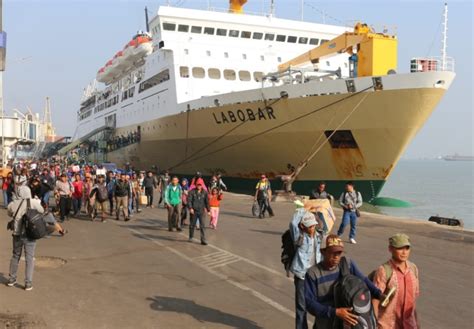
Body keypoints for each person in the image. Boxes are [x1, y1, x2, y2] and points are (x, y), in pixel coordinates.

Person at [304, 235, 383, 329]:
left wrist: (379, 294)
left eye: (339, 253)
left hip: (347, 324)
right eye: (332, 253)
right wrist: (335, 312)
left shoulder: (348, 264)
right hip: (325, 324)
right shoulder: (313, 273)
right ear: (322, 251)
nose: (336, 257)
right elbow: (309, 303)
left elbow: (364, 280)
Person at [372, 234, 420, 329]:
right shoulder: (384, 270)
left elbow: (413, 302)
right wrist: (374, 324)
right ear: (390, 249)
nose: (404, 252)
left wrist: (417, 324)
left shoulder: (413, 269)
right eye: (400, 248)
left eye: (407, 248)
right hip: (387, 325)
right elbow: (375, 300)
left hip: (410, 325)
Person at [6, 186, 45, 291]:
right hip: (30, 234)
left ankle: (12, 279)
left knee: (15, 256)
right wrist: (37, 201)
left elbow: (9, 212)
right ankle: (28, 283)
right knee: (29, 259)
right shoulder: (33, 202)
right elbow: (41, 210)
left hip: (17, 234)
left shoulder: (13, 204)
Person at [290, 206, 322, 329]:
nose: (313, 228)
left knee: (319, 305)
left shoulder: (318, 236)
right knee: (301, 307)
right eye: (310, 226)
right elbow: (293, 223)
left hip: (315, 275)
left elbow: (324, 225)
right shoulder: (299, 237)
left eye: (314, 225)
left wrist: (315, 211)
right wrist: (302, 210)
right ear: (303, 226)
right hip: (302, 276)